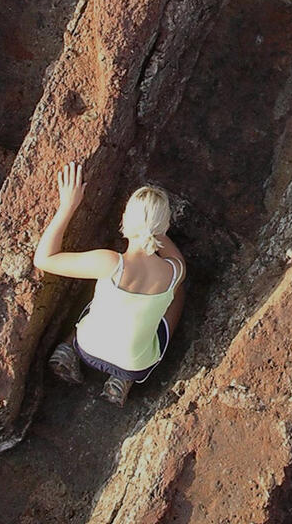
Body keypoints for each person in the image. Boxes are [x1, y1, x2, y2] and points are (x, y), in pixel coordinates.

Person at [36, 162, 186, 405]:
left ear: (124, 219)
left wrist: (68, 205)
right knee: (176, 295)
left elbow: (44, 259)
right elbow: (175, 257)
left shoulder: (109, 263)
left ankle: (67, 349)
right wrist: (156, 229)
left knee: (96, 303)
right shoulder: (174, 271)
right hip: (133, 367)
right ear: (165, 227)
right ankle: (121, 381)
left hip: (88, 349)